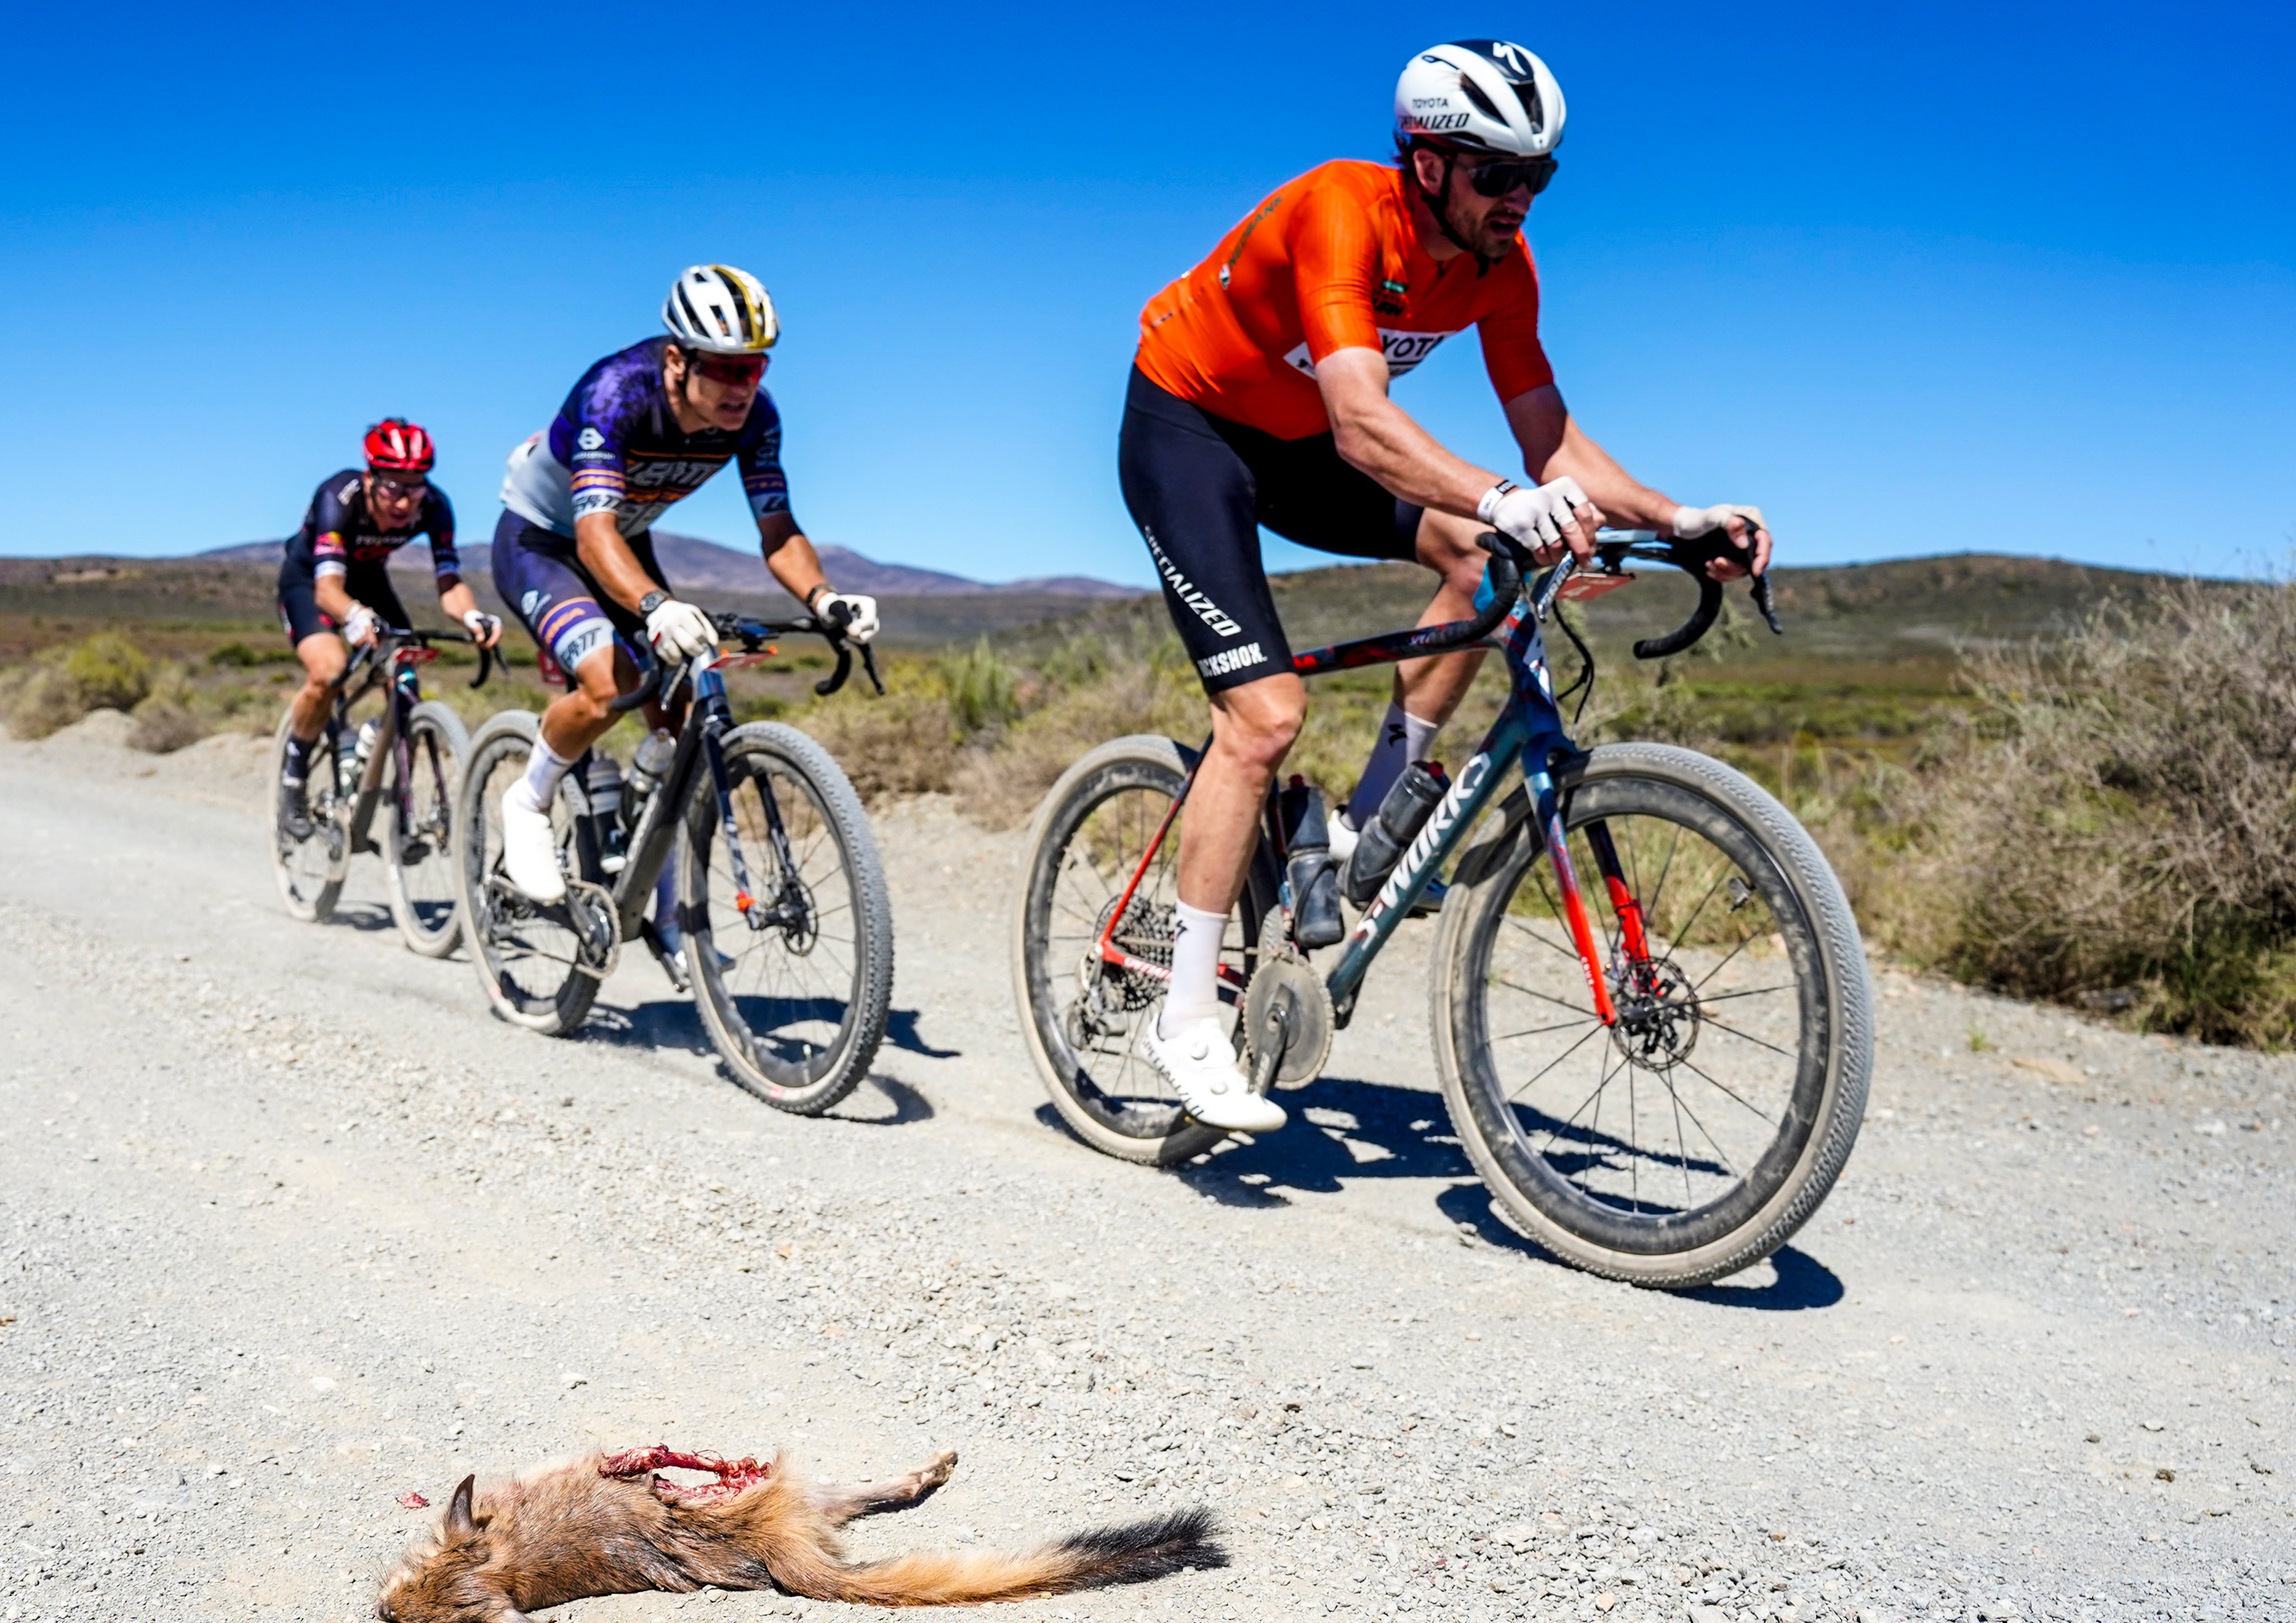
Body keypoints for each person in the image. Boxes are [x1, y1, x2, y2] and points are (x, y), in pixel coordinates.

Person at [1118, 40, 1774, 1132]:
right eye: (1495, 173)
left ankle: (1360, 831)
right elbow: (1363, 422)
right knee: (1265, 717)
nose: (1519, 197)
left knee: (1479, 562)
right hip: (1191, 428)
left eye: (1538, 177)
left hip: (1303, 445)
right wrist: (1496, 493)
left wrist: (1674, 517)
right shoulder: (1341, 211)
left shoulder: (1501, 267)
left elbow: (1551, 435)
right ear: (1426, 163)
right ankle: (1184, 1019)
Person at [490, 263, 878, 970]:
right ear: (678, 358)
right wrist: (657, 607)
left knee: (677, 719)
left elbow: (778, 528)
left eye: (753, 368)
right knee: (610, 684)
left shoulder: (756, 418)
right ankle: (529, 798)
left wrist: (825, 599)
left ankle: (658, 902)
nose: (742, 387)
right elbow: (592, 534)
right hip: (545, 539)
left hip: (623, 541)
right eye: (725, 370)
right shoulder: (616, 392)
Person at [276, 420, 503, 835]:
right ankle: (294, 776)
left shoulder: (435, 506)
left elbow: (449, 583)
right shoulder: (338, 498)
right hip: (312, 581)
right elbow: (329, 591)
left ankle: (400, 809)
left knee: (406, 688)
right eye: (392, 489)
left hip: (369, 580)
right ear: (370, 478)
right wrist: (355, 616)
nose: (403, 503)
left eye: (414, 488)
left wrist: (472, 616)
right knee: (328, 672)